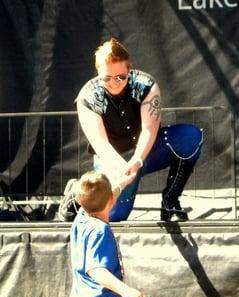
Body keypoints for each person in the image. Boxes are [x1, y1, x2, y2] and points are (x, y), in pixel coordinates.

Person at [59, 37, 203, 223]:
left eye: (121, 77)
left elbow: (149, 129)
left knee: (190, 137)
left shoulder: (145, 85)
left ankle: (170, 202)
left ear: (129, 69)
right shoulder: (87, 97)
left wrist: (137, 160)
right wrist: (122, 168)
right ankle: (78, 190)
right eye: (107, 78)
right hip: (112, 158)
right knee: (115, 215)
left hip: (146, 151)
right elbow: (100, 143)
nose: (114, 82)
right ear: (98, 72)